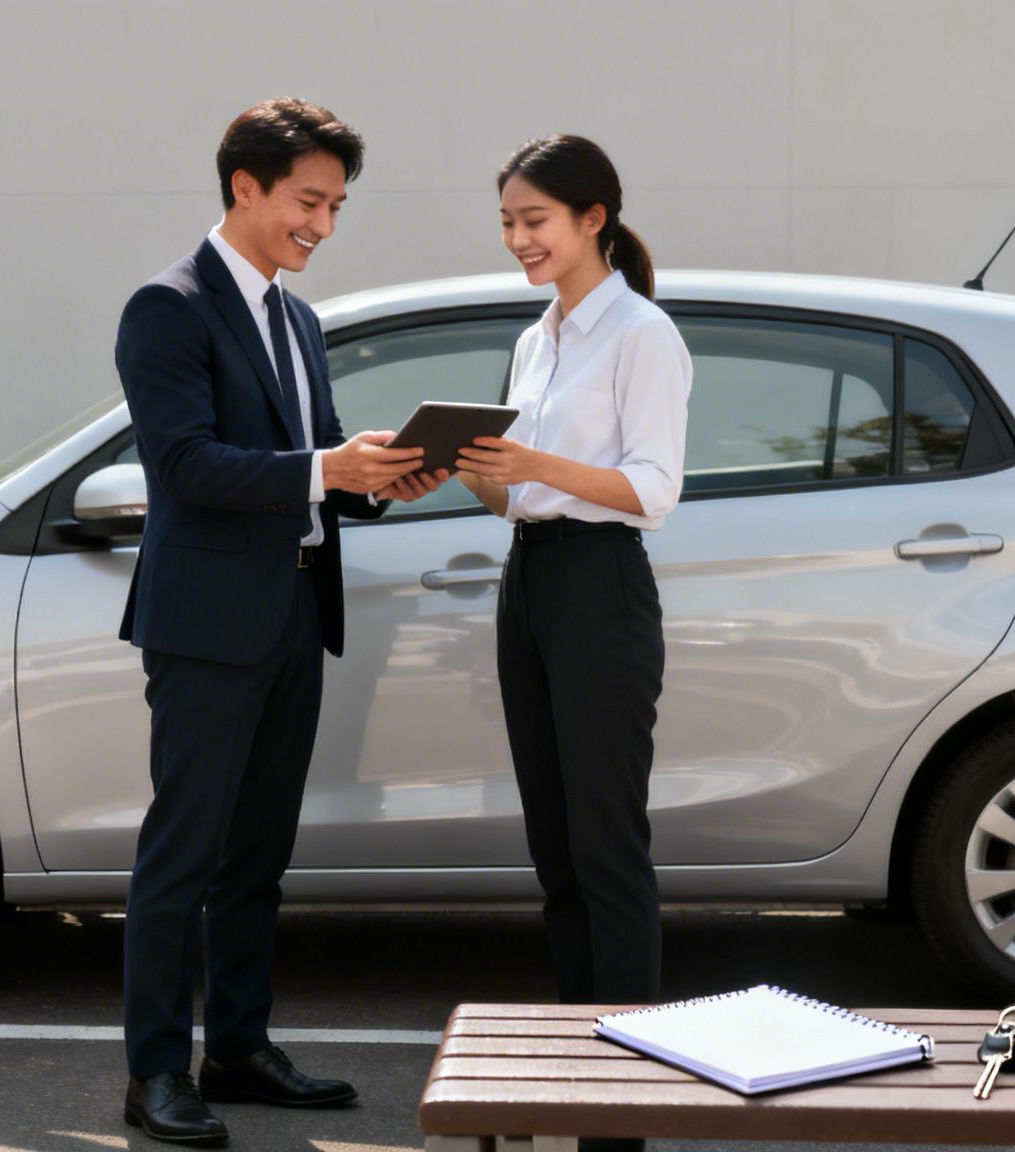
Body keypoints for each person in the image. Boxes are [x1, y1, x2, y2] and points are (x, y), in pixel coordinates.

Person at [112, 98, 437, 1146]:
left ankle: (238, 1051)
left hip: (294, 612)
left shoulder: (297, 319)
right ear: (244, 186)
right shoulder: (165, 308)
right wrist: (322, 468)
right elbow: (184, 466)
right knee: (183, 854)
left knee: (258, 858)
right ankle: (155, 1072)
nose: (323, 225)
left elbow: (318, 465)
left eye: (336, 205)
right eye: (309, 201)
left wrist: (382, 477)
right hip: (206, 624)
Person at [455, 135, 693, 1013]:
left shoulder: (642, 334)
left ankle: (623, 1100)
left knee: (605, 848)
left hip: (602, 588)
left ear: (594, 219)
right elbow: (519, 498)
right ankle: (578, 1047)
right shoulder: (536, 339)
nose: (520, 238)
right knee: (553, 850)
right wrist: (459, 468)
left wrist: (536, 464)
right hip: (533, 585)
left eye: (536, 220)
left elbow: (653, 490)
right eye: (509, 222)